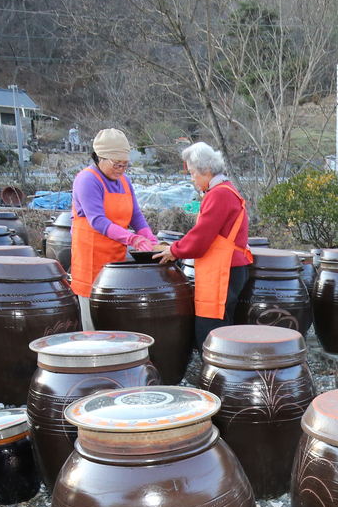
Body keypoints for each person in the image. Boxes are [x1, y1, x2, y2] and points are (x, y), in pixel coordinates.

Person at [153, 142, 251, 348]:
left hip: (224, 271)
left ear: (206, 170)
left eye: (193, 173)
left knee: (212, 328)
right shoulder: (224, 190)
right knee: (224, 325)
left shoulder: (219, 194)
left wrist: (174, 250)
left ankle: (214, 374)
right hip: (230, 268)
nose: (192, 179)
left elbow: (200, 237)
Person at [69, 128, 157, 328]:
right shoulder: (87, 180)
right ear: (100, 158)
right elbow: (97, 220)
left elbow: (135, 215)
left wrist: (150, 239)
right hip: (91, 262)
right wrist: (133, 239)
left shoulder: (124, 181)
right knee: (93, 325)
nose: (121, 169)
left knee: (115, 323)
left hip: (115, 263)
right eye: (117, 164)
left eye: (125, 165)